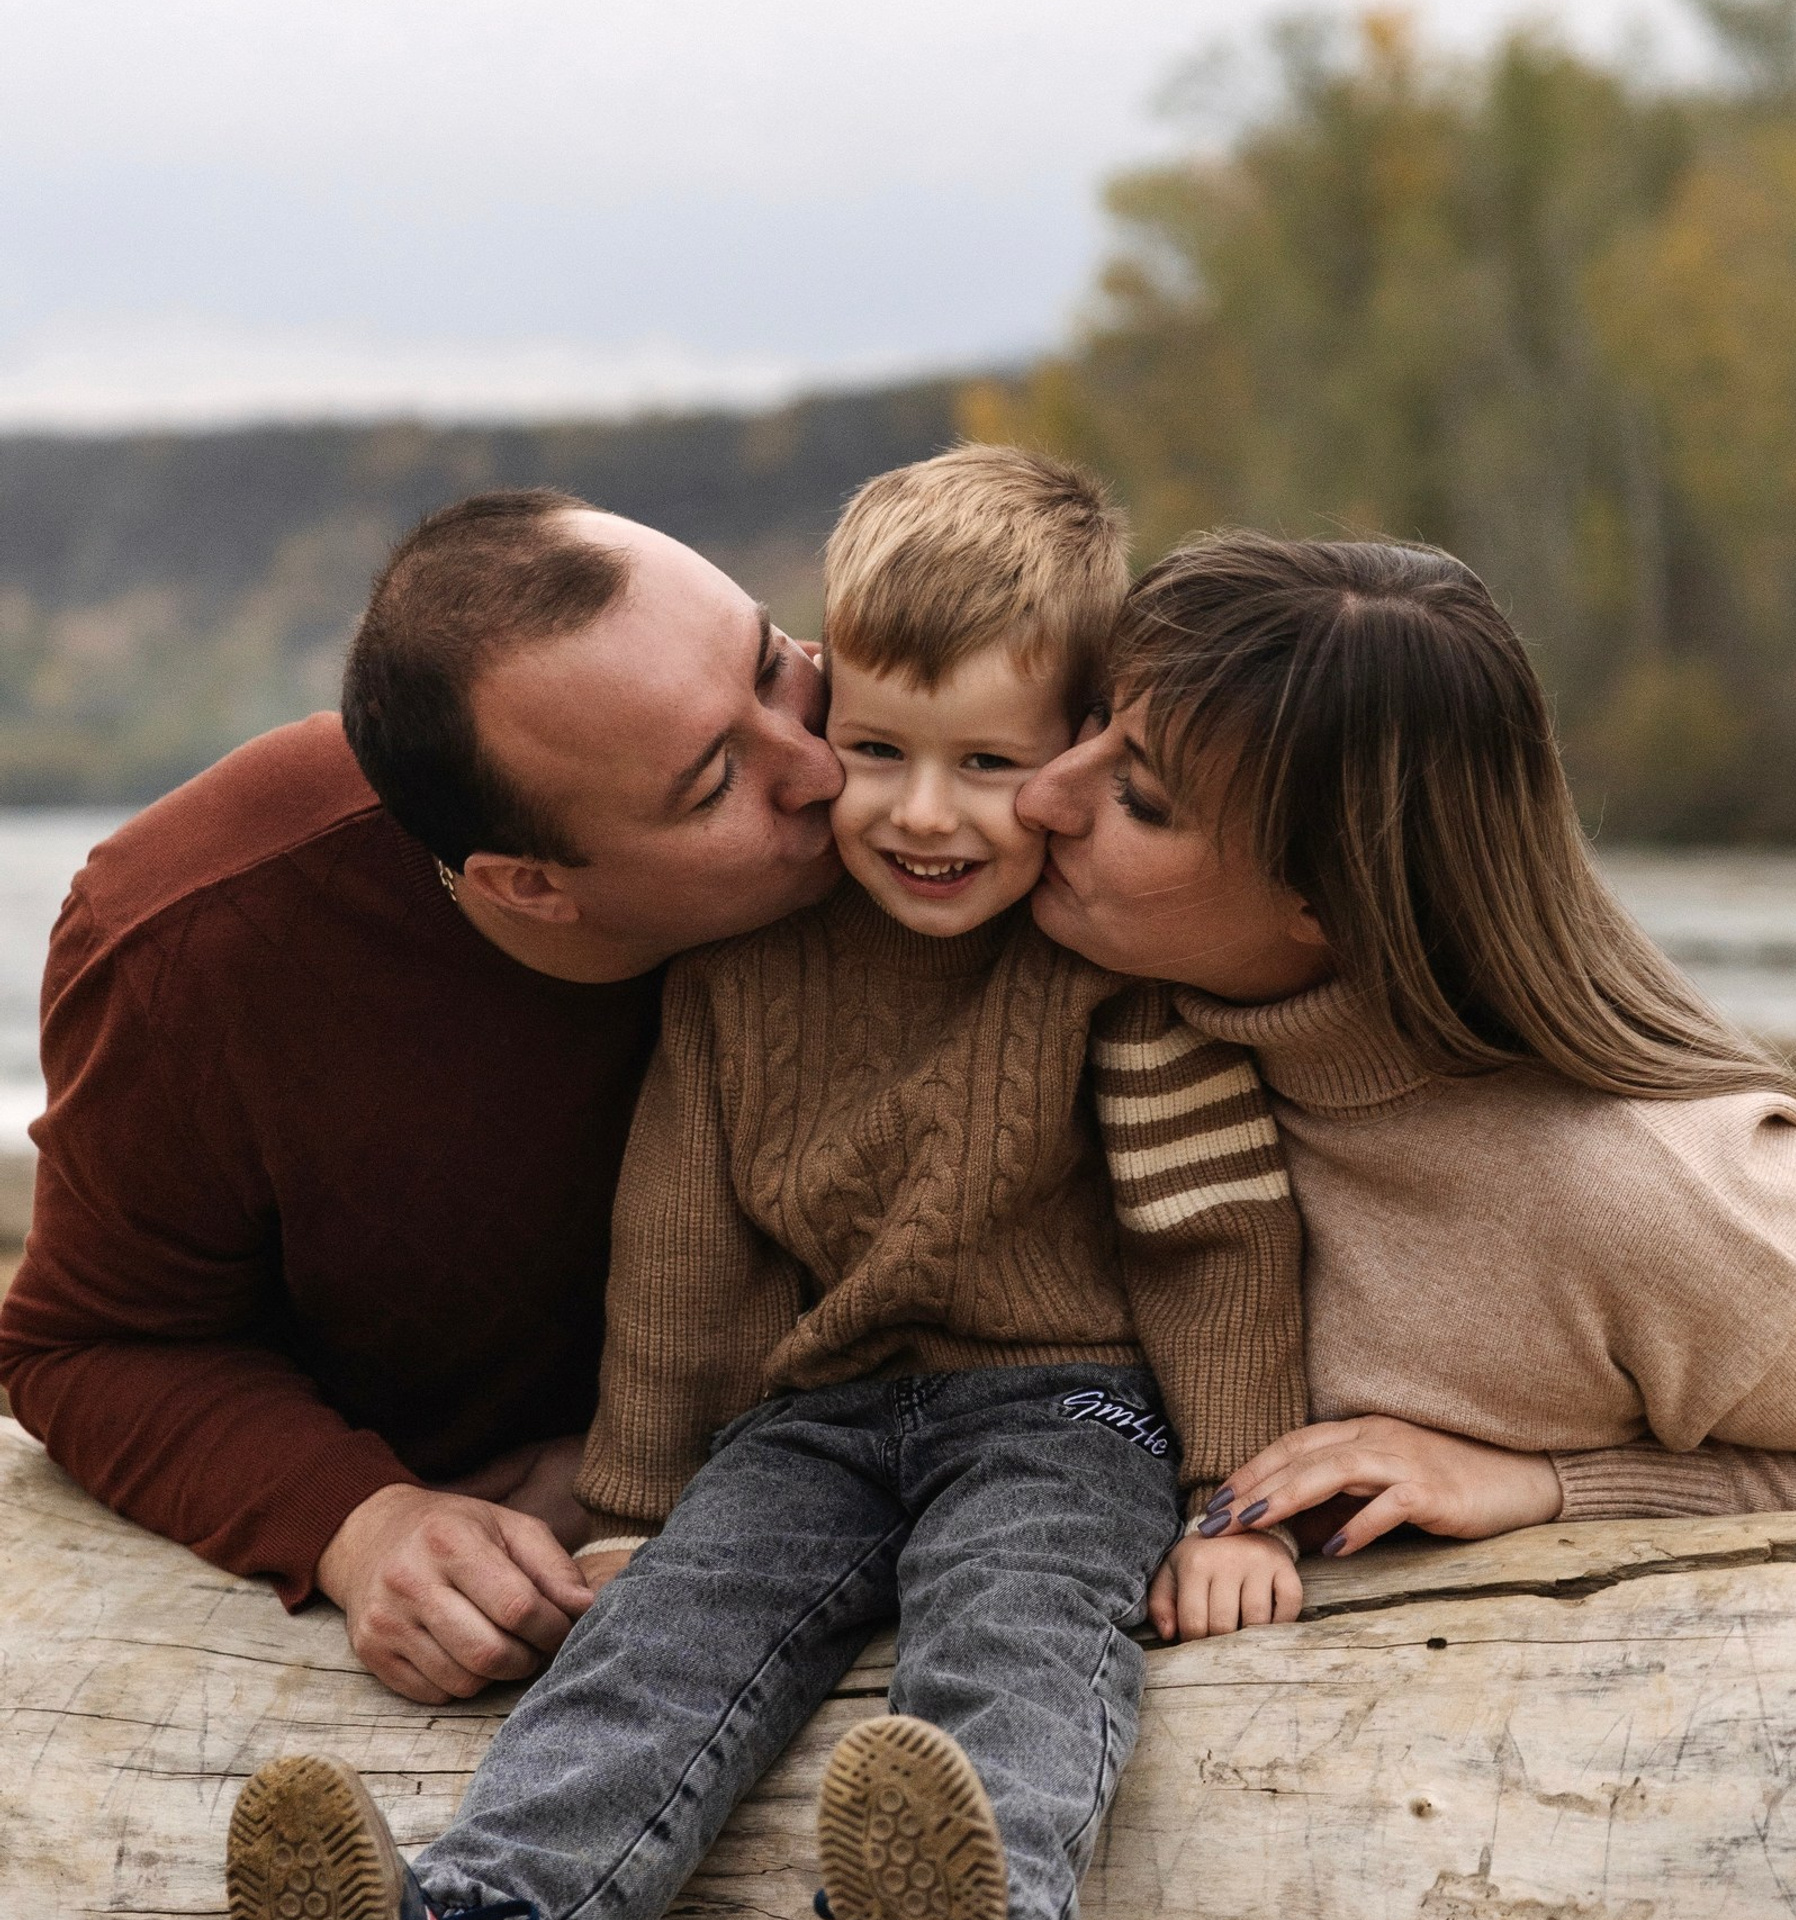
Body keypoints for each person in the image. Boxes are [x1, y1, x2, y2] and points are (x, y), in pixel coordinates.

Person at [225, 448, 1308, 1920]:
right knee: (662, 1635)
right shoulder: (739, 965)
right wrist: (632, 1508)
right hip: (814, 1414)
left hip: (1067, 1406)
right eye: (878, 751)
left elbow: (1212, 1236)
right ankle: (487, 1898)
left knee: (1020, 1629)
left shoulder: (1106, 959)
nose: (925, 815)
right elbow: (682, 1255)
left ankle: (974, 1899)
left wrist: (1238, 1504)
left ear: (1073, 750)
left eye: (989, 766)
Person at [0, 489, 844, 1703]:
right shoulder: (195, 940)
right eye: (715, 784)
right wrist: (360, 1522)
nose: (823, 769)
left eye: (772, 662)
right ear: (529, 886)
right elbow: (90, 1346)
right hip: (478, 1616)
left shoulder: (931, 796)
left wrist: (647, 1459)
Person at [1010, 531, 1796, 1622]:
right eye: (1091, 720)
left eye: (1140, 797)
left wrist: (1555, 1488)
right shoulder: (1085, 1012)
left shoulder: (1665, 1190)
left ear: (1332, 899)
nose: (1043, 795)